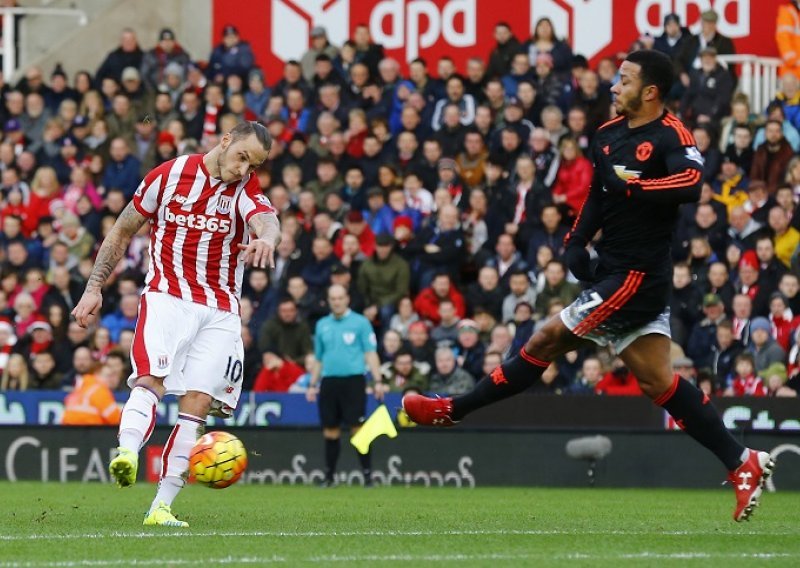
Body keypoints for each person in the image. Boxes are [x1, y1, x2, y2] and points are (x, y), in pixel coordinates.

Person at [403, 50, 773, 522]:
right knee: (658, 381)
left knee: (545, 338)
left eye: (624, 80)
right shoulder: (606, 135)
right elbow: (600, 192)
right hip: (615, 269)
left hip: (638, 276)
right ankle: (742, 461)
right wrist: (577, 240)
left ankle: (453, 409)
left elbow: (691, 182)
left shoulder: (672, 134)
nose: (614, 87)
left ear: (651, 91)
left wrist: (636, 188)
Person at [71, 120, 280, 527]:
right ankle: (128, 453)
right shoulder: (167, 176)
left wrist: (267, 239)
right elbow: (122, 230)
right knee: (151, 380)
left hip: (220, 310)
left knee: (197, 405)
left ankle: (160, 508)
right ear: (225, 141)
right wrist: (94, 287)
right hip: (167, 297)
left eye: (253, 165)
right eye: (241, 157)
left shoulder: (245, 190)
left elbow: (265, 220)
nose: (244, 170)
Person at [305, 284, 382, 488]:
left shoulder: (361, 322)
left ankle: (367, 476)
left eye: (340, 298)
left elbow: (370, 352)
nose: (337, 302)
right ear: (329, 301)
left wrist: (378, 381)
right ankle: (329, 477)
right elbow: (319, 358)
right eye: (333, 298)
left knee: (358, 429)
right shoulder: (322, 324)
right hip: (329, 382)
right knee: (330, 431)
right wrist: (312, 384)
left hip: (354, 381)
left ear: (347, 299)